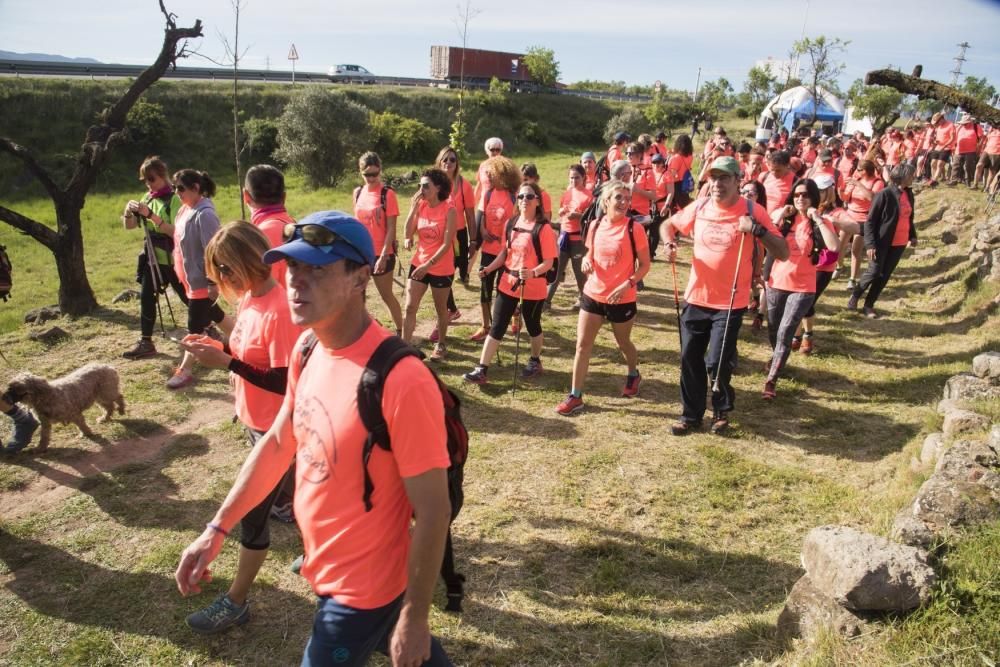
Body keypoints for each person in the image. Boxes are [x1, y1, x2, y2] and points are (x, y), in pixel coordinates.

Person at [175, 211, 453, 667]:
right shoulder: (307, 349)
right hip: (327, 566)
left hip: (361, 587)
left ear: (360, 277)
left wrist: (417, 617)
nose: (296, 282)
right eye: (293, 267)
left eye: (317, 269)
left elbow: (434, 508)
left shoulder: (401, 379)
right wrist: (217, 528)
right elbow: (279, 442)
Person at [179, 221, 303, 634]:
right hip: (255, 423)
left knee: (253, 515)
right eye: (219, 274)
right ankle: (323, 551)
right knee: (304, 495)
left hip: (278, 431)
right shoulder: (250, 299)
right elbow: (247, 351)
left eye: (227, 271)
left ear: (250, 259)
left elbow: (286, 382)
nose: (224, 281)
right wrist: (218, 349)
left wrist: (228, 363)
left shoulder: (282, 309)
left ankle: (235, 601)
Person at [661, 156, 788, 435]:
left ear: (737, 180)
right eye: (713, 178)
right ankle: (691, 415)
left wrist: (756, 229)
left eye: (724, 178)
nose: (717, 183)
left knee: (717, 360)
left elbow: (782, 251)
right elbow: (668, 225)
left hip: (730, 301)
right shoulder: (702, 205)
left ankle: (721, 410)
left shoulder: (754, 210)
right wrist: (669, 241)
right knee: (689, 357)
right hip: (696, 296)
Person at [555, 180, 650, 416]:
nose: (624, 202)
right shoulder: (595, 225)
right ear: (606, 201)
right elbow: (590, 253)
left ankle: (633, 373)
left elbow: (645, 265)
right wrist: (587, 260)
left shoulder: (634, 229)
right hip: (593, 293)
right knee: (582, 346)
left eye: (627, 199)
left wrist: (627, 284)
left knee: (623, 343)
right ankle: (575, 396)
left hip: (622, 296)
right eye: (618, 197)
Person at [463, 182, 557, 384]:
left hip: (533, 287)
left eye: (529, 197)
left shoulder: (544, 229)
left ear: (537, 201)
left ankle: (534, 360)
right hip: (508, 282)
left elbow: (549, 262)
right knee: (497, 326)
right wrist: (488, 269)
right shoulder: (511, 223)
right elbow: (505, 253)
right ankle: (481, 369)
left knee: (533, 325)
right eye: (521, 196)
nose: (524, 200)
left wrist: (532, 273)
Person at [761, 179, 841, 400]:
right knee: (774, 330)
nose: (800, 199)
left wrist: (817, 218)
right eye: (796, 195)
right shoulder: (784, 219)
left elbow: (834, 247)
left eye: (805, 195)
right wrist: (780, 215)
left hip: (803, 287)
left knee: (786, 331)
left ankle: (771, 380)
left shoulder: (822, 221)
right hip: (777, 282)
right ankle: (777, 356)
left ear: (813, 198)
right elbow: (764, 236)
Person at [166, 169, 233, 389]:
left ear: (196, 188)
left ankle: (184, 370)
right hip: (191, 280)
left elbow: (213, 251)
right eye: (175, 188)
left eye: (181, 188)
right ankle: (243, 343)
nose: (177, 193)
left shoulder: (205, 215)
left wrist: (213, 282)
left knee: (194, 327)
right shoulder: (186, 209)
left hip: (203, 282)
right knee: (217, 315)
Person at [121, 156, 188, 359]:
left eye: (152, 178)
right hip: (153, 259)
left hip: (173, 259)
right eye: (145, 180)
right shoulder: (148, 197)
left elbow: (176, 231)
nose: (149, 184)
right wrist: (128, 212)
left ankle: (212, 326)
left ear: (163, 176)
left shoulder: (175, 199)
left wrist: (151, 216)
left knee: (189, 297)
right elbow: (130, 226)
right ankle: (146, 341)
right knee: (146, 297)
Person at [791, 174, 860, 353]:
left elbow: (855, 228)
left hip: (823, 264)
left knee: (807, 302)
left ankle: (805, 335)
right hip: (802, 262)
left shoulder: (834, 212)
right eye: (816, 191)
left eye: (822, 190)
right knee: (798, 300)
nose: (819, 194)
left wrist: (834, 222)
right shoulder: (800, 208)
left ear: (830, 191)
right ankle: (799, 335)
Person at [848, 163, 918, 318]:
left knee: (884, 275)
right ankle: (855, 296)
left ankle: (869, 305)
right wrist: (870, 244)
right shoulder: (884, 194)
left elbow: (909, 217)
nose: (914, 177)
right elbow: (870, 222)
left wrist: (912, 235)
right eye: (911, 175)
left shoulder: (909, 193)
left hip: (899, 243)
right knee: (874, 272)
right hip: (881, 242)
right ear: (903, 176)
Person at [402, 168, 457, 361]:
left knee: (441, 309)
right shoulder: (422, 206)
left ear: (438, 188)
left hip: (441, 266)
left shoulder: (449, 209)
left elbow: (447, 243)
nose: (421, 190)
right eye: (420, 186)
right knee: (409, 307)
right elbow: (407, 233)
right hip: (419, 262)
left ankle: (441, 345)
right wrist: (413, 209)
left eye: (426, 186)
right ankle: (404, 349)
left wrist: (429, 265)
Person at [469, 156, 521, 342]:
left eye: (492, 172)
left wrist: (506, 239)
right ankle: (485, 326)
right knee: (484, 289)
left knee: (503, 292)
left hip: (506, 254)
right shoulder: (488, 193)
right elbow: (481, 214)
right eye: (487, 172)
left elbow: (518, 223)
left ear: (503, 174)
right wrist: (482, 231)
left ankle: (512, 313)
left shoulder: (514, 196)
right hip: (488, 251)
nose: (488, 175)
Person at [353, 152, 403, 335]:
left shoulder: (387, 194)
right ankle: (368, 330)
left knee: (386, 295)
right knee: (357, 296)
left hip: (382, 253)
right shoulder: (358, 192)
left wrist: (383, 255)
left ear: (380, 171)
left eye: (375, 174)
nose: (372, 178)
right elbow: (356, 224)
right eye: (367, 174)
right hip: (361, 253)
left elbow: (391, 228)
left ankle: (401, 333)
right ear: (361, 172)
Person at [431, 146, 475, 343]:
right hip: (439, 235)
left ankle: (450, 310)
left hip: (458, 235)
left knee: (449, 272)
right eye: (445, 159)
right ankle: (451, 310)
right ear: (439, 161)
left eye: (453, 160)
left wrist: (473, 240)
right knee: (442, 273)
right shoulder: (433, 183)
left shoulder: (464, 185)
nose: (448, 163)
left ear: (457, 164)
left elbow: (470, 215)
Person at [546, 164, 594, 309]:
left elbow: (591, 220)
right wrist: (562, 213)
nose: (574, 181)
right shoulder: (567, 193)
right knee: (556, 269)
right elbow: (564, 212)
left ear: (583, 177)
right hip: (564, 236)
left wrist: (578, 216)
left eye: (577, 178)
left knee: (579, 273)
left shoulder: (589, 196)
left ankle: (584, 300)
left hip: (579, 239)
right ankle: (546, 301)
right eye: (571, 178)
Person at [243, 164, 294, 287]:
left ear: (245, 196)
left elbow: (260, 290)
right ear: (284, 197)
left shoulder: (260, 235)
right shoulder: (292, 224)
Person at [840, 159, 884, 291]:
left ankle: (852, 279)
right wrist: (840, 189)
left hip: (864, 219)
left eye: (858, 170)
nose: (856, 172)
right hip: (849, 216)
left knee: (855, 250)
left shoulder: (878, 182)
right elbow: (846, 198)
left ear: (865, 171)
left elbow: (872, 198)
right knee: (840, 245)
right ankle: (839, 266)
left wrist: (858, 185)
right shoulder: (856, 181)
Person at [952, 113, 984, 187]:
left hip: (971, 150)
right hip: (959, 150)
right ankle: (954, 180)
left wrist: (979, 146)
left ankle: (968, 181)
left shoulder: (976, 127)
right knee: (955, 165)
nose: (964, 125)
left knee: (968, 166)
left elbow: (982, 137)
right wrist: (954, 146)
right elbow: (955, 138)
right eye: (963, 123)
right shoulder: (959, 127)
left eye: (965, 123)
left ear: (970, 122)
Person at [474, 137, 504, 206]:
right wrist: (473, 204)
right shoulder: (483, 165)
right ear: (487, 151)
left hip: (500, 206)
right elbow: (479, 186)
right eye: (492, 150)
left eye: (498, 150)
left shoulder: (505, 166)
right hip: (484, 204)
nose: (495, 152)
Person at [668, 134, 695, 212]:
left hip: (676, 185)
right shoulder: (690, 156)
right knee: (684, 205)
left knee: (676, 208)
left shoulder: (676, 158)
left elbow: (672, 174)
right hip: (685, 183)